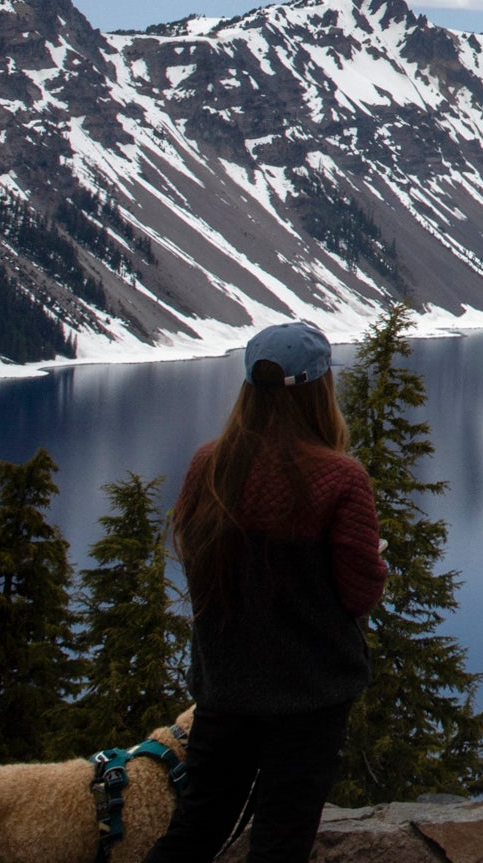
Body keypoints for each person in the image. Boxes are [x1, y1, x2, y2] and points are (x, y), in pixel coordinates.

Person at [147, 320, 387, 863]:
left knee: (196, 825)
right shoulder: (340, 478)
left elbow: (199, 563)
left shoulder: (209, 466)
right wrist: (377, 566)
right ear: (320, 390)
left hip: (226, 685)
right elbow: (358, 593)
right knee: (281, 838)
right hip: (308, 695)